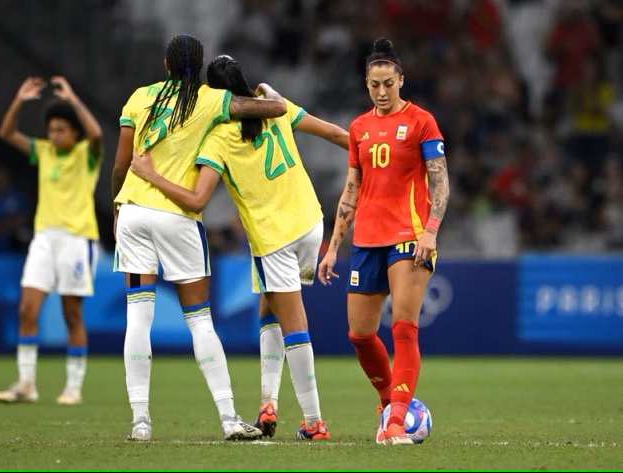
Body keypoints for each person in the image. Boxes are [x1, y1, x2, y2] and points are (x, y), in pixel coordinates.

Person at [130, 54, 349, 440]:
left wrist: (149, 174)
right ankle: (268, 401)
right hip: (311, 224)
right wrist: (376, 156)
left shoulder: (218, 137)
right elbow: (333, 133)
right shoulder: (276, 105)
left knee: (294, 325)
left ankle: (314, 422)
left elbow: (198, 198)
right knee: (271, 308)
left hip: (274, 237)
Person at [111, 34, 288, 442]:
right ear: (200, 64)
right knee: (201, 321)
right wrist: (260, 91)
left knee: (138, 316)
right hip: (178, 217)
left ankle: (140, 422)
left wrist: (117, 208)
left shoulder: (140, 97)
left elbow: (121, 165)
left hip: (134, 212)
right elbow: (274, 109)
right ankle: (228, 418)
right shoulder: (210, 99)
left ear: (167, 65)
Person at [316, 38, 450, 446]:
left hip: (409, 237)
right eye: (374, 84)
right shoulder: (359, 127)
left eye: (388, 83)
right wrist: (333, 245)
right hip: (367, 239)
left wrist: (430, 229)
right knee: (359, 334)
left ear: (401, 80)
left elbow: (440, 180)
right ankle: (388, 402)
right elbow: (351, 190)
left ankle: (396, 423)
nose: (381, 91)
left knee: (404, 329)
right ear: (366, 84)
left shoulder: (423, 121)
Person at [0, 75, 103, 406]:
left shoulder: (87, 154)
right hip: (44, 238)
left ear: (73, 132)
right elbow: (6, 133)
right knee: (27, 308)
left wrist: (71, 99)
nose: (54, 135)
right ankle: (26, 383)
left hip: (76, 238)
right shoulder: (42, 151)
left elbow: (97, 133)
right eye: (51, 129)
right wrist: (19, 100)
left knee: (72, 314)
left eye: (61, 129)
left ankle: (73, 386)